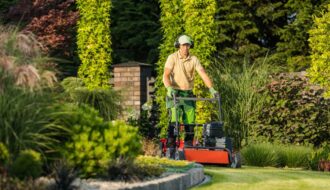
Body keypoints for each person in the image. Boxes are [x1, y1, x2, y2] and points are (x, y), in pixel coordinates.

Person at [162, 34, 218, 157]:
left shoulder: (194, 59)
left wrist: (211, 89)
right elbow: (166, 75)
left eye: (188, 45)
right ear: (178, 46)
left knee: (190, 123)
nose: (186, 48)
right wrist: (169, 88)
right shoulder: (172, 58)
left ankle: (188, 148)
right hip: (175, 93)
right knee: (174, 121)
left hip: (188, 95)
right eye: (183, 45)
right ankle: (171, 149)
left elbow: (203, 74)